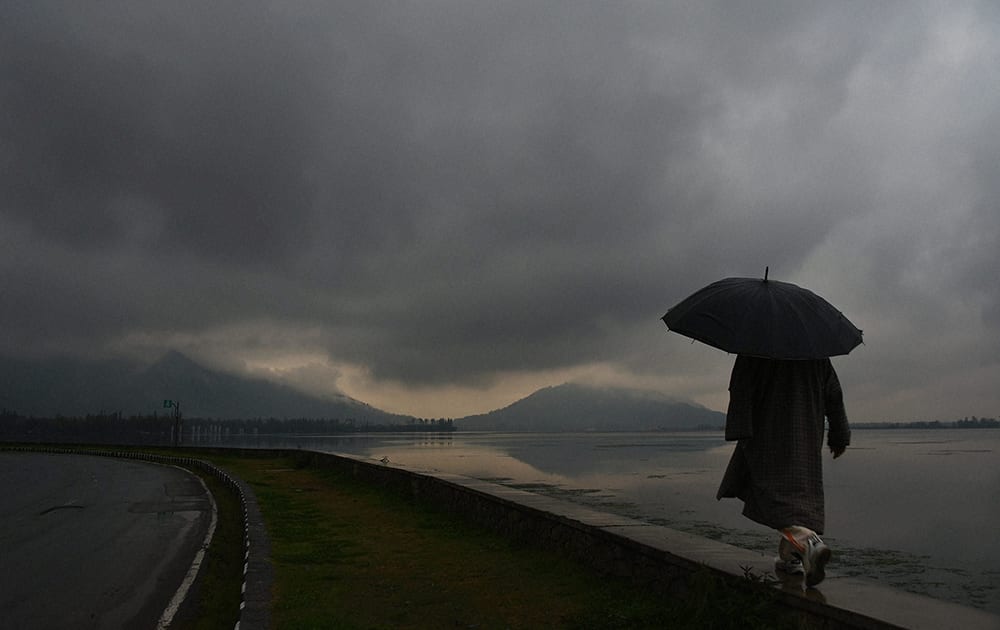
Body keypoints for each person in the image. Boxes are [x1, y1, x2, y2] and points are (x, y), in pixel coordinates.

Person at [716, 354, 850, 587]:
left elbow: (740, 387)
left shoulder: (755, 348)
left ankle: (808, 542)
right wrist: (839, 435)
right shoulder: (816, 354)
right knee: (798, 497)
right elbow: (834, 394)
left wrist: (739, 428)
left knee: (772, 495)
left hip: (766, 433)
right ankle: (792, 559)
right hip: (805, 436)